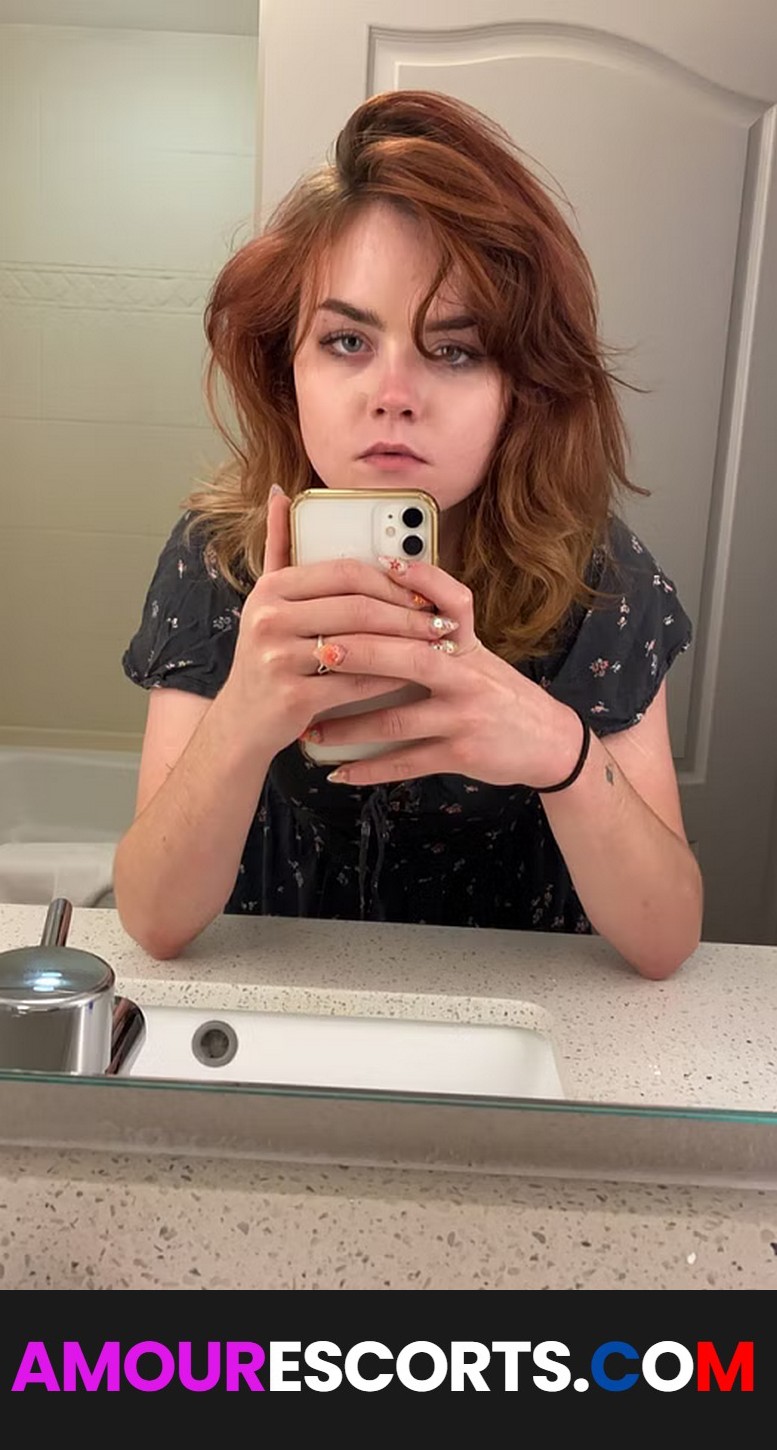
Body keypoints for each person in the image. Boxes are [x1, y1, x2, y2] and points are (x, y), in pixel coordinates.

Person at [116, 89, 702, 977]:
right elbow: (155, 923)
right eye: (347, 342)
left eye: (454, 349)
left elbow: (665, 942)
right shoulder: (221, 558)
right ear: (287, 370)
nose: (393, 394)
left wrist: (561, 752)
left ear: (519, 390)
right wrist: (241, 717)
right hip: (288, 989)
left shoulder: (598, 579)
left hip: (516, 1001)